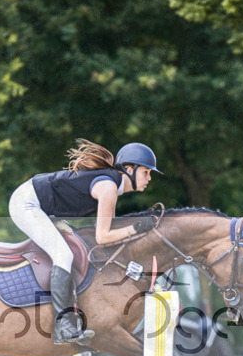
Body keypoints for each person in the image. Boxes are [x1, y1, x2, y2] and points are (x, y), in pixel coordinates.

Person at [9, 138, 161, 344]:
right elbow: (103, 237)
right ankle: (63, 326)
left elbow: (109, 234)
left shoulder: (111, 186)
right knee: (63, 255)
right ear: (129, 170)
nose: (149, 178)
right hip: (27, 204)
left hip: (42, 205)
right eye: (146, 172)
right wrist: (137, 228)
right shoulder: (108, 187)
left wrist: (137, 227)